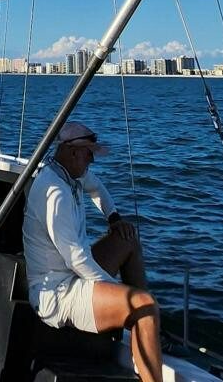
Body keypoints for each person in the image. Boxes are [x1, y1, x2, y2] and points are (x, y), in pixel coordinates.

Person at [22, 121, 162, 382]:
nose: (92, 161)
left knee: (128, 238)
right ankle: (142, 324)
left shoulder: (70, 174)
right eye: (89, 154)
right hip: (56, 292)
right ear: (72, 151)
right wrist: (120, 292)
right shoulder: (55, 192)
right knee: (144, 304)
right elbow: (76, 259)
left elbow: (98, 188)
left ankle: (142, 333)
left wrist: (114, 219)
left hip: (74, 275)